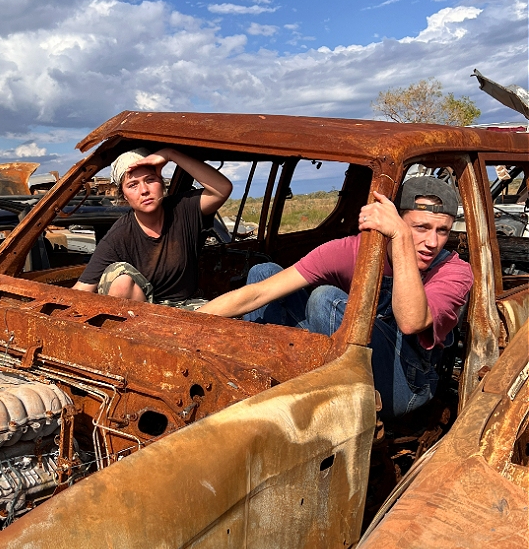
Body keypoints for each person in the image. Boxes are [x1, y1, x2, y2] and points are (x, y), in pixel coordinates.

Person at [197, 176, 473, 418]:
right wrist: (181, 324)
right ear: (396, 219)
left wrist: (401, 237)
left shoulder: (453, 273)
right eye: (420, 228)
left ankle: (322, 405)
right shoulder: (352, 252)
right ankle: (255, 381)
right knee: (263, 272)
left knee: (325, 300)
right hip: (344, 358)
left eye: (442, 231)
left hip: (406, 383)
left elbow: (412, 321)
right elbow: (258, 293)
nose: (433, 243)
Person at [73, 147, 232, 308]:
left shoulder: (183, 208)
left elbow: (222, 189)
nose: (144, 191)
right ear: (124, 195)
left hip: (186, 307)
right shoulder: (119, 236)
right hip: (143, 312)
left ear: (161, 183)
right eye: (133, 185)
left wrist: (171, 154)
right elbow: (82, 290)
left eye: (150, 180)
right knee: (120, 281)